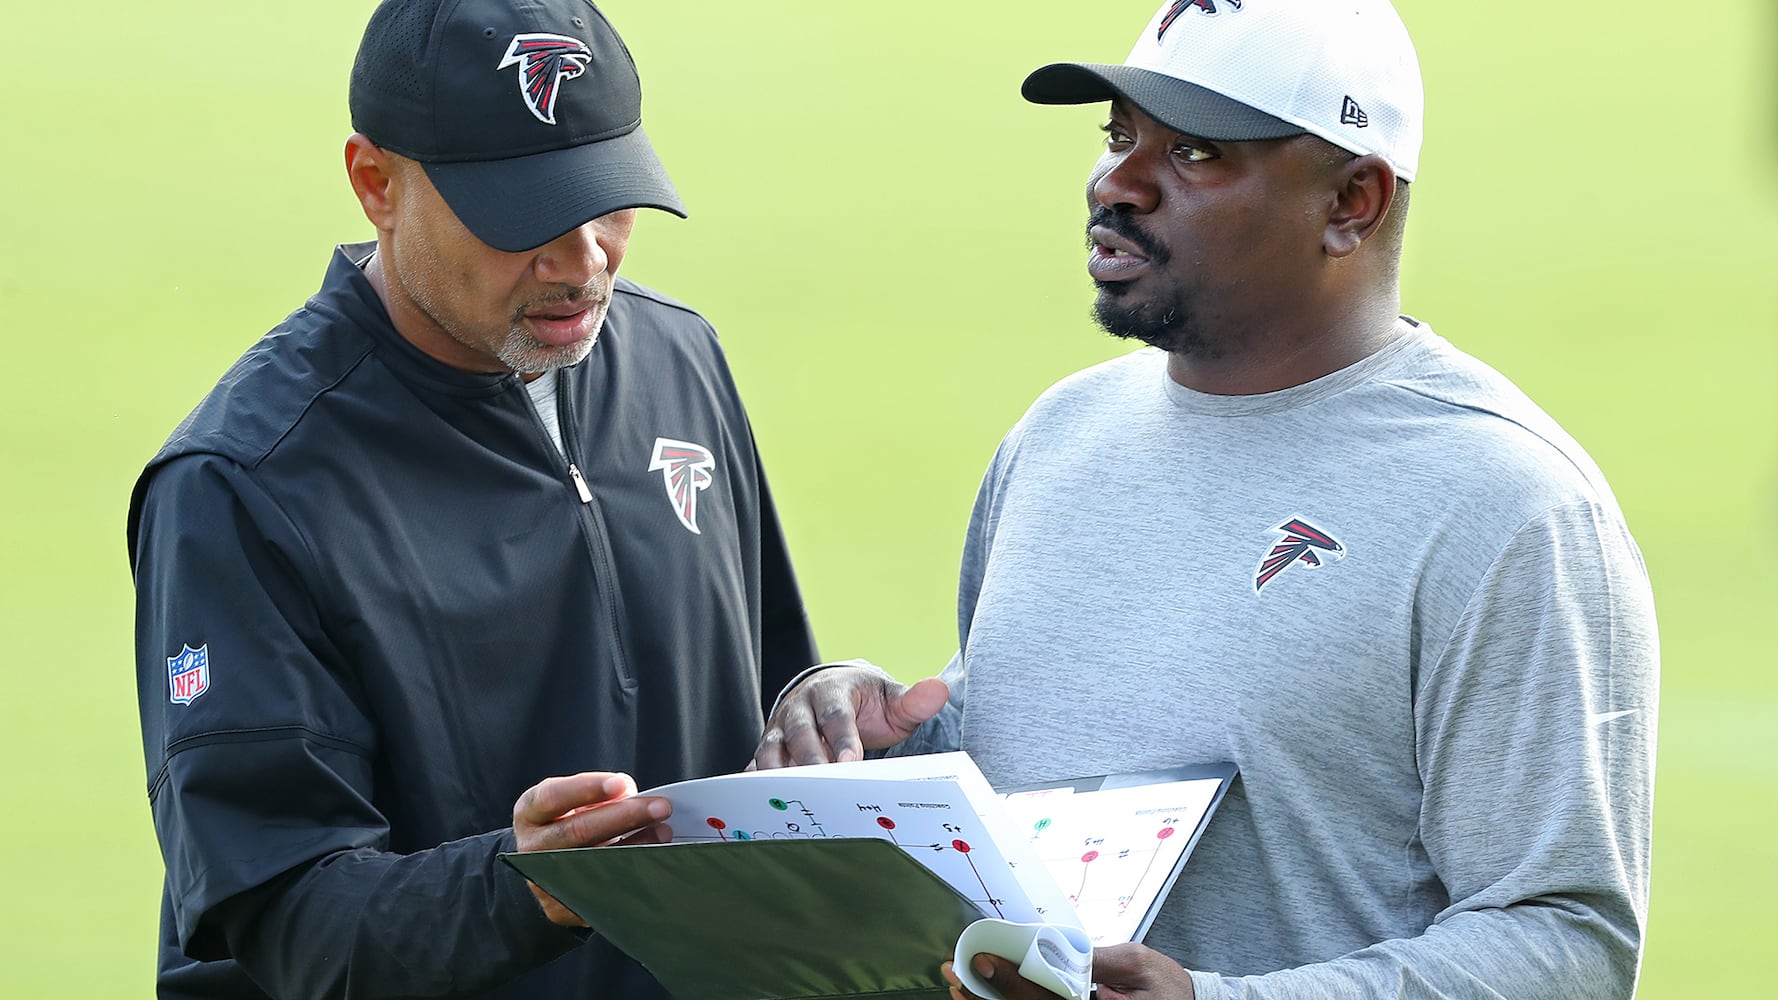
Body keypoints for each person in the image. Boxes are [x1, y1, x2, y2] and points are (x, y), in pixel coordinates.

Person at [754, 2, 1659, 998]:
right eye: (1116, 136)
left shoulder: (1504, 505)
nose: (1115, 183)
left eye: (1189, 152)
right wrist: (874, 734)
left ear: (1350, 200)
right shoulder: (1058, 436)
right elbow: (1040, 764)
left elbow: (1563, 944)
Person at [128, 0, 818, 996]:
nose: (584, 263)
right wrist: (524, 889)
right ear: (376, 183)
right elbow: (283, 921)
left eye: (607, 201)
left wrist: (820, 703)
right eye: (524, 218)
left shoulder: (680, 356)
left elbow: (761, 711)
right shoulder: (244, 480)